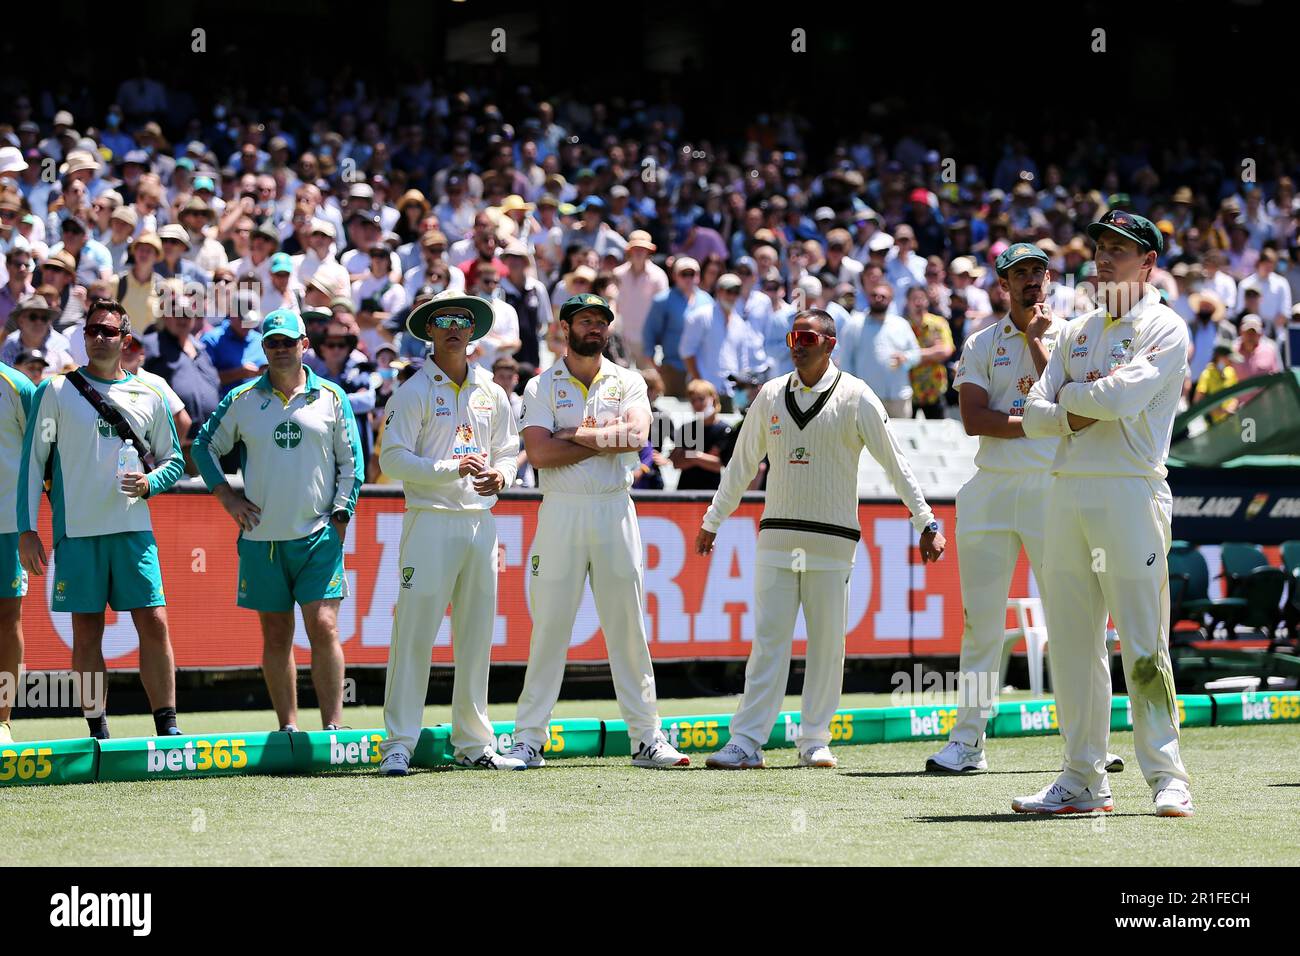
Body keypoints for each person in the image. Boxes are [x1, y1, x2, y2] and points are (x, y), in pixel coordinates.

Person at [698, 309, 944, 769]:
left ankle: (814, 739)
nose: (797, 344)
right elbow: (742, 465)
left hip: (832, 543)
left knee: (828, 645)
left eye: (807, 336)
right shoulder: (770, 394)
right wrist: (714, 519)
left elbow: (895, 463)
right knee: (768, 643)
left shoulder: (856, 396)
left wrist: (926, 521)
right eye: (793, 336)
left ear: (830, 343)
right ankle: (746, 741)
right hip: (776, 539)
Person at [1019, 210, 1193, 817]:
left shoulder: (1165, 328)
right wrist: (1077, 404)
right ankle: (1082, 777)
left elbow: (1122, 398)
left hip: (1130, 489)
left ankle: (1168, 775)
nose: (1104, 259)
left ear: (1149, 263)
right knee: (1071, 642)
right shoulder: (1075, 331)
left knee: (1143, 641)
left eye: (1120, 249)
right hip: (1066, 489)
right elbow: (1033, 414)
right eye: (1100, 248)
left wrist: (1071, 400)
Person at [925, 242, 1122, 775]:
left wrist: (1039, 348)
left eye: (1038, 272)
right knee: (980, 623)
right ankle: (968, 744)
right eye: (1020, 275)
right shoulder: (981, 342)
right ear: (1003, 284)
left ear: (1050, 279)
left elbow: (1076, 405)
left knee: (1074, 621)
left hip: (1051, 484)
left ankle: (1092, 747)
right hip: (991, 485)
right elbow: (974, 419)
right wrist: (1041, 419)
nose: (1031, 281)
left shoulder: (1076, 336)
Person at [505, 293, 690, 769]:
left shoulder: (627, 381)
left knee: (628, 626)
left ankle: (647, 738)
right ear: (564, 328)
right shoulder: (540, 385)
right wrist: (600, 441)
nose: (594, 328)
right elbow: (540, 456)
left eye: (601, 321)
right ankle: (528, 740)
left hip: (613, 508)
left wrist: (571, 434)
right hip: (561, 510)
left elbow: (636, 437)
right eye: (584, 320)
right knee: (549, 627)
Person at [18, 299, 185, 739]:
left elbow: (174, 460)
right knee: (86, 631)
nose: (98, 337)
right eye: (92, 330)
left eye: (108, 331)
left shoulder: (150, 394)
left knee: (154, 621)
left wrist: (150, 483)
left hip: (133, 531)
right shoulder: (54, 392)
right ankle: (98, 731)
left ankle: (167, 727)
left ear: (125, 340)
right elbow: (33, 463)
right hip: (78, 534)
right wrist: (27, 529)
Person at [376, 291, 525, 774]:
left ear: (474, 330)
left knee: (477, 636)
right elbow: (391, 459)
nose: (455, 328)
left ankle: (475, 744)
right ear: (430, 331)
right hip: (431, 519)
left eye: (463, 320)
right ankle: (398, 744)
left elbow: (508, 449)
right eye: (445, 321)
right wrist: (451, 468)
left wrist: (501, 477)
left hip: (480, 522)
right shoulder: (414, 390)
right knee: (415, 634)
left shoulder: (492, 390)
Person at [193, 309, 363, 733]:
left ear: (305, 344)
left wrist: (340, 517)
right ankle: (288, 727)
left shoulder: (332, 396)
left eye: (289, 341)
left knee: (323, 626)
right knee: (276, 634)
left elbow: (353, 464)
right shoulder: (243, 399)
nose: (281, 349)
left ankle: (333, 729)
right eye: (273, 343)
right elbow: (202, 448)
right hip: (260, 538)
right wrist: (227, 497)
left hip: (317, 535)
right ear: (263, 348)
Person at [0, 360, 34, 742]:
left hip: (5, 523)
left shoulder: (17, 385)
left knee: (8, 617)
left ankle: (2, 721)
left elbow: (38, 454)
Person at [642, 256, 714, 399]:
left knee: (699, 416)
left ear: (698, 276)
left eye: (691, 274)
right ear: (675, 276)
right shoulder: (662, 300)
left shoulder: (707, 300)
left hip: (702, 368)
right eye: (683, 274)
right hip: (673, 368)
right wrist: (653, 363)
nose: (688, 278)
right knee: (674, 412)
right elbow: (649, 332)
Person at [848, 281, 921, 417]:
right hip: (867, 397)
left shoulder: (901, 324)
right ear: (868, 297)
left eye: (883, 296)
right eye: (874, 295)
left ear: (891, 299)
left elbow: (916, 354)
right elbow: (847, 361)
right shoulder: (855, 324)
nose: (878, 299)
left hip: (899, 396)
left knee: (900, 437)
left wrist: (906, 358)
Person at [902, 285, 955, 419]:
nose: (918, 302)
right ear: (907, 302)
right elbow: (899, 357)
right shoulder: (901, 326)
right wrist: (933, 352)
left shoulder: (939, 323)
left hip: (934, 391)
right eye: (914, 299)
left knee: (939, 436)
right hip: (910, 391)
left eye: (922, 298)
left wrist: (912, 356)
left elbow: (946, 351)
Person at [670, 379, 732, 491]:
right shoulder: (687, 428)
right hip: (685, 491)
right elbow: (677, 463)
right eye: (693, 400)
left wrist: (690, 454)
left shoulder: (725, 429)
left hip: (710, 491)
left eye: (701, 399)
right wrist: (703, 457)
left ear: (713, 398)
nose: (697, 404)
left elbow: (718, 464)